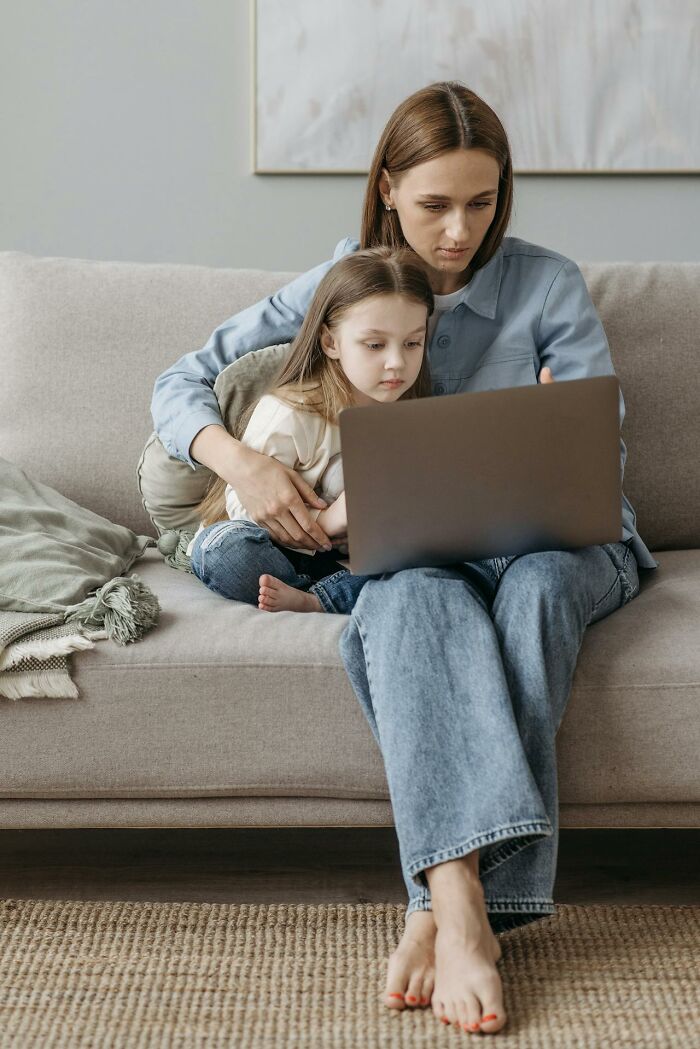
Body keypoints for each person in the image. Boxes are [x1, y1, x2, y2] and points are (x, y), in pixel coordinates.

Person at [150, 81, 658, 1036]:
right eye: (434, 204)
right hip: (423, 555)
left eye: (483, 202)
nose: (460, 230)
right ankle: (462, 904)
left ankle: (434, 905)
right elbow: (178, 382)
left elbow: (600, 451)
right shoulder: (347, 282)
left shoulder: (548, 285)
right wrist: (244, 460)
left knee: (539, 589)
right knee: (414, 594)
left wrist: (555, 419)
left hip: (561, 543)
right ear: (387, 188)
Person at [187, 246, 435, 615]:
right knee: (224, 550)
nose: (397, 362)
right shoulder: (292, 412)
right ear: (331, 343)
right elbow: (242, 505)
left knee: (446, 565)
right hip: (273, 550)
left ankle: (319, 599)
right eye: (374, 345)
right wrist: (331, 519)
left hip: (346, 565)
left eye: (412, 343)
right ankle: (338, 598)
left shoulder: (413, 417)